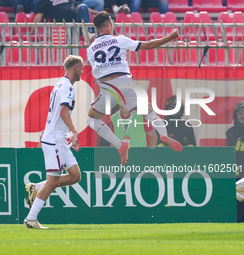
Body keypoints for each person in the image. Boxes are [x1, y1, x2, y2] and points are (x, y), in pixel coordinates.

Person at [86, 11, 182, 165]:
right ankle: (163, 135)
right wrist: (170, 37)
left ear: (97, 28)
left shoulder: (90, 50)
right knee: (149, 111)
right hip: (125, 84)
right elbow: (148, 45)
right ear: (110, 24)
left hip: (107, 89)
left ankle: (119, 145)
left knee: (91, 119)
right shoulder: (119, 40)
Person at [23, 55, 83, 229]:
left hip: (59, 140)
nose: (83, 71)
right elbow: (63, 111)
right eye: (81, 68)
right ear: (75, 69)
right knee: (53, 182)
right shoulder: (68, 87)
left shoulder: (59, 84)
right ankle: (31, 219)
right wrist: (74, 131)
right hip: (55, 142)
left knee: (75, 176)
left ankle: (36, 187)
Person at [226, 101, 244, 222]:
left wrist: (241, 140)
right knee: (239, 198)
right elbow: (234, 147)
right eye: (240, 113)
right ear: (235, 115)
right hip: (239, 170)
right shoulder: (231, 132)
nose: (242, 116)